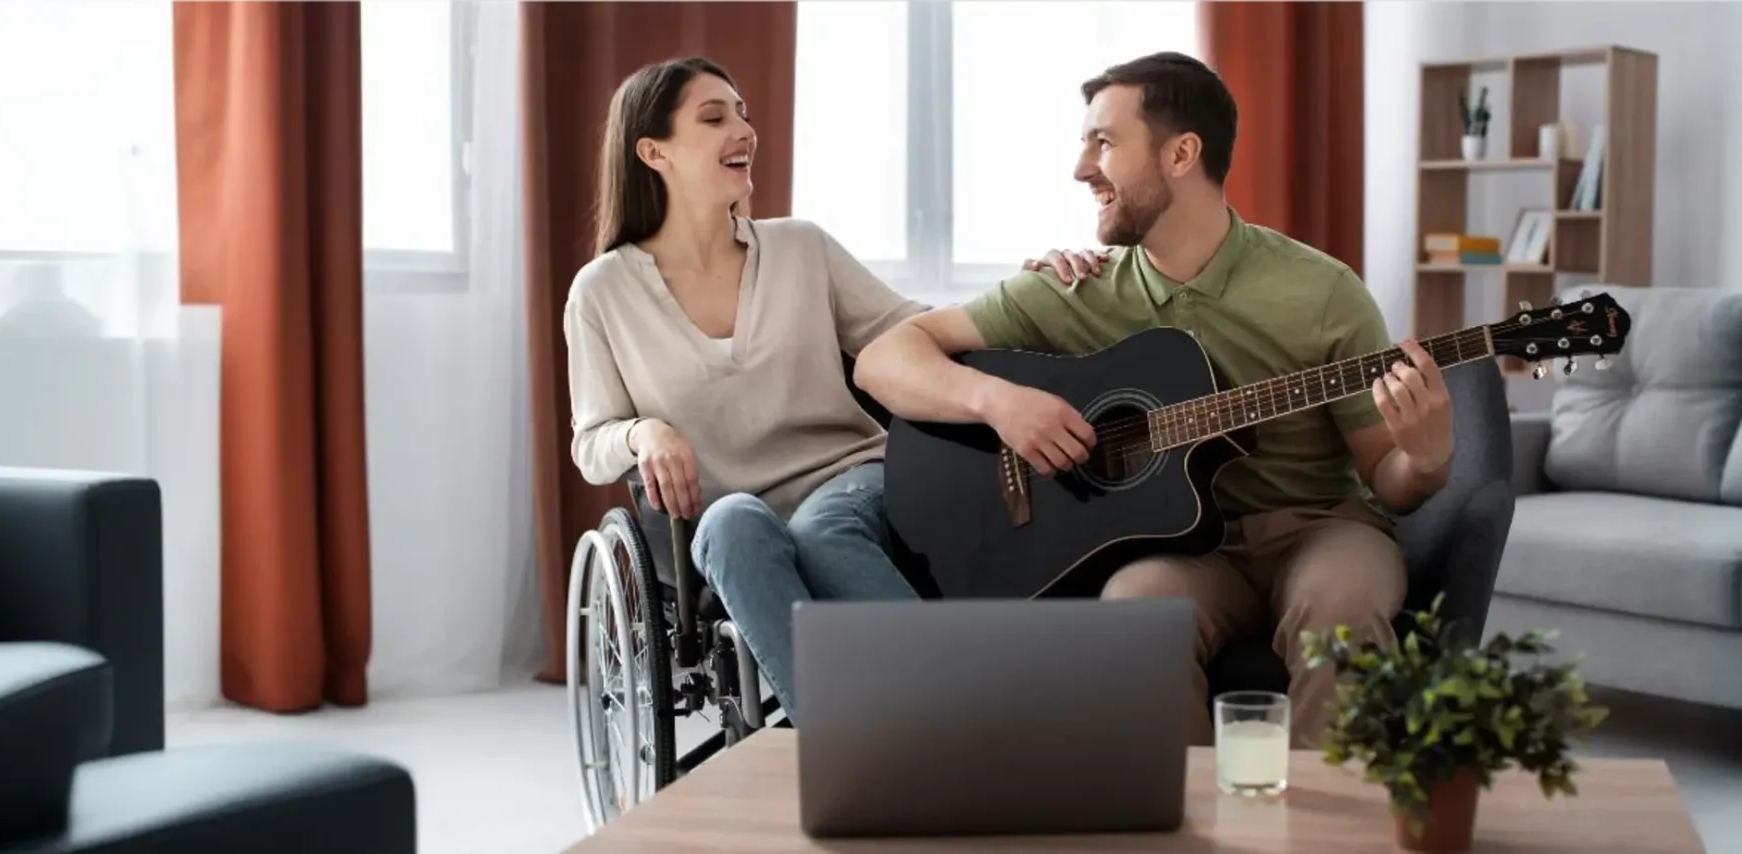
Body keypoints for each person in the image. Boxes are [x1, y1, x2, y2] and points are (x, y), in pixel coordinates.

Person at [852, 51, 1457, 747]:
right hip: (1186, 550)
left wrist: (1428, 459)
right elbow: (883, 361)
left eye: (1103, 143)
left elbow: (1389, 476)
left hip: (1320, 529)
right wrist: (999, 403)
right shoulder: (1077, 288)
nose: (1081, 169)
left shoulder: (1323, 291)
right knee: (1135, 612)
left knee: (1345, 610)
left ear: (1181, 154)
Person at [562, 56, 927, 722]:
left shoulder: (801, 249)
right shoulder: (603, 291)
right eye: (714, 117)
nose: (744, 130)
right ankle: (844, 739)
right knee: (732, 525)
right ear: (653, 151)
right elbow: (591, 442)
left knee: (820, 530)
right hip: (723, 509)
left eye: (744, 114)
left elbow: (912, 326)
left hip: (846, 480)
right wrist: (644, 430)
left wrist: (1032, 296)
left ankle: (956, 706)